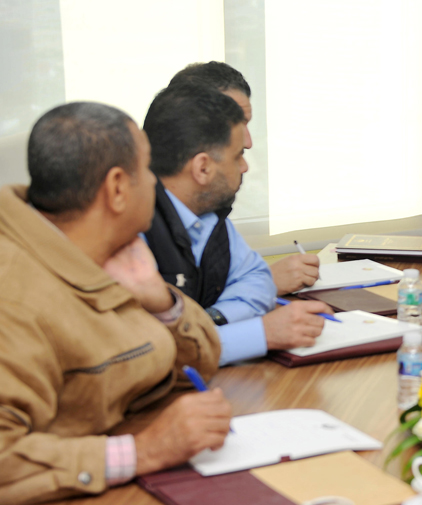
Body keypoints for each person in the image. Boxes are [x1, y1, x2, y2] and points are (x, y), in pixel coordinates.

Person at [0, 102, 231, 504]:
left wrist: (159, 300)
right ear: (118, 188)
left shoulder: (101, 251)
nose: (156, 183)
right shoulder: (13, 294)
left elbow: (200, 363)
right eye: (147, 169)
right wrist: (144, 452)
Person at [142, 83, 329, 366]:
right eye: (238, 155)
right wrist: (260, 334)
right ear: (202, 168)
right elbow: (147, 351)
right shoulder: (132, 228)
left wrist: (211, 321)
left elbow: (257, 280)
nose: (245, 167)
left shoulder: (207, 213)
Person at [169, 61, 320, 295]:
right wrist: (265, 285)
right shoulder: (141, 221)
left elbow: (249, 275)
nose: (248, 141)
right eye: (235, 124)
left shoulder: (211, 206)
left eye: (246, 124)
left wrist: (263, 282)